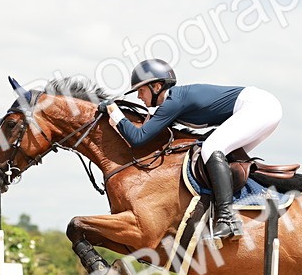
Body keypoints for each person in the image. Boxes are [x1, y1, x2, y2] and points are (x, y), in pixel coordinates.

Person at [100, 59, 282, 242]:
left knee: (211, 148)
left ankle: (228, 220)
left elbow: (137, 139)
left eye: (141, 90)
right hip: (264, 108)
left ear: (156, 86)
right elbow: (147, 133)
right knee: (221, 155)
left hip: (259, 107)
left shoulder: (172, 102)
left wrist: (113, 111)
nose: (139, 96)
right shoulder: (172, 102)